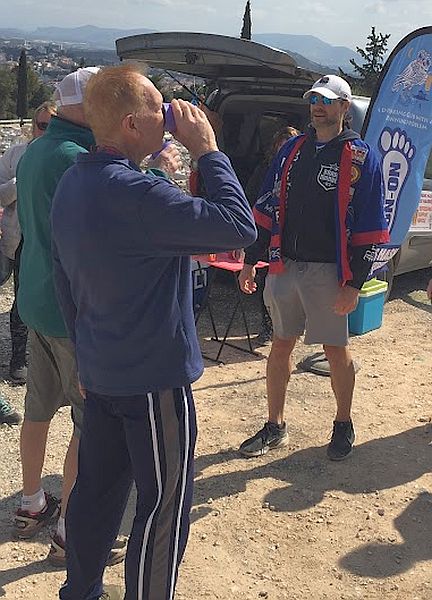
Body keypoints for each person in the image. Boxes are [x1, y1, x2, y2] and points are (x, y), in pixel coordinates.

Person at [50, 64, 256, 600]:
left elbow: (63, 279)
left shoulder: (74, 182)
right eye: (157, 108)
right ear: (131, 124)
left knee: (96, 494)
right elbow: (238, 227)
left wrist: (85, 357)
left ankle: (80, 591)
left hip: (102, 374)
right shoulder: (140, 195)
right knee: (163, 506)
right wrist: (207, 149)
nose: (167, 117)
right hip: (154, 382)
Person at [238, 74, 390, 461]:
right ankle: (275, 426)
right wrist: (251, 260)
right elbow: (268, 204)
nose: (318, 107)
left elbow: (370, 224)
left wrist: (355, 284)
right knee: (280, 346)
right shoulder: (292, 149)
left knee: (335, 350)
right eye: (314, 100)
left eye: (326, 100)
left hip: (329, 272)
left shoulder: (361, 157)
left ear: (344, 107)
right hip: (284, 265)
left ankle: (343, 423)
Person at [13, 68, 129, 569]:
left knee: (37, 411)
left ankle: (31, 503)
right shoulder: (76, 157)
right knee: (89, 425)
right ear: (82, 107)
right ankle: (70, 532)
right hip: (70, 311)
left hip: (35, 300)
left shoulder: (37, 149)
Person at [0, 101, 57, 389]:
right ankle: (19, 359)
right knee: (20, 296)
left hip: (48, 240)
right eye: (42, 125)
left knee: (46, 297)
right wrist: (20, 181)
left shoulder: (64, 155)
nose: (46, 132)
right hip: (19, 238)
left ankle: (40, 360)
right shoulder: (16, 154)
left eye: (53, 126)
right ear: (33, 126)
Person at [245, 126, 300, 345]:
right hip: (266, 233)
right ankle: (268, 328)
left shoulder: (302, 170)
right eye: (282, 145)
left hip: (291, 239)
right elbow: (252, 198)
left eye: (290, 145)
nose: (285, 149)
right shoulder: (265, 170)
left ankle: (289, 327)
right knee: (267, 282)